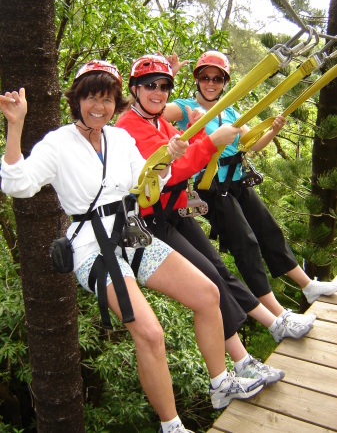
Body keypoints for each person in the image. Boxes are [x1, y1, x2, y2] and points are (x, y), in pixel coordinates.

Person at [0, 60, 265, 433]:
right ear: (76, 99)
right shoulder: (58, 143)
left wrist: (169, 155)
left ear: (116, 103)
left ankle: (221, 384)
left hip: (130, 232)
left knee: (207, 293)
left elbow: (149, 179)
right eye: (91, 97)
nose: (99, 107)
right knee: (151, 333)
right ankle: (172, 426)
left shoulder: (119, 139)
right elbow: (17, 183)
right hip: (93, 246)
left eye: (107, 99)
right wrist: (15, 125)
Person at [115, 54, 313, 387]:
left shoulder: (157, 122)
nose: (158, 92)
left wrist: (198, 136)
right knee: (209, 280)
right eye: (150, 86)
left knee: (218, 269)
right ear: (134, 89)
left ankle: (272, 324)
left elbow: (183, 149)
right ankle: (244, 358)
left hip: (175, 209)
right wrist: (209, 141)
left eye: (164, 86)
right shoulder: (129, 126)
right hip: (152, 220)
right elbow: (171, 168)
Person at [163, 50, 337, 319]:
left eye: (217, 79)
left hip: (236, 180)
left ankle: (308, 286)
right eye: (205, 77)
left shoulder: (230, 111)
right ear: (197, 80)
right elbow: (155, 111)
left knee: (269, 229)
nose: (211, 83)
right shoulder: (185, 107)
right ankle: (278, 314)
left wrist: (274, 130)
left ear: (224, 83)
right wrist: (168, 74)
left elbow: (253, 144)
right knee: (245, 243)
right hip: (210, 185)